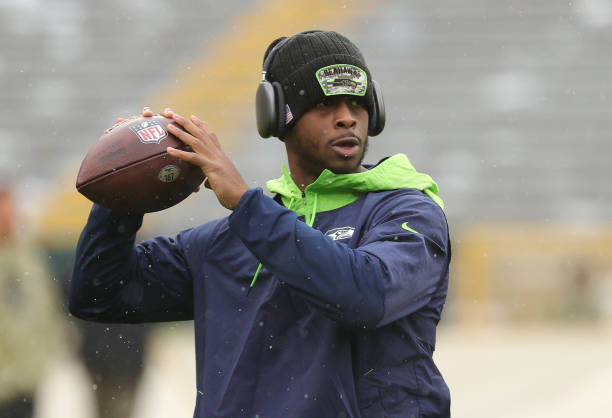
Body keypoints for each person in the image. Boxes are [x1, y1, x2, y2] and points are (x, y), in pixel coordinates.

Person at [70, 30, 451, 417]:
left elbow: (367, 296)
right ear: (278, 116)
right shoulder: (232, 238)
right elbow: (99, 295)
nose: (347, 118)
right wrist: (123, 190)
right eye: (325, 105)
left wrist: (246, 205)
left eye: (358, 103)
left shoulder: (409, 212)